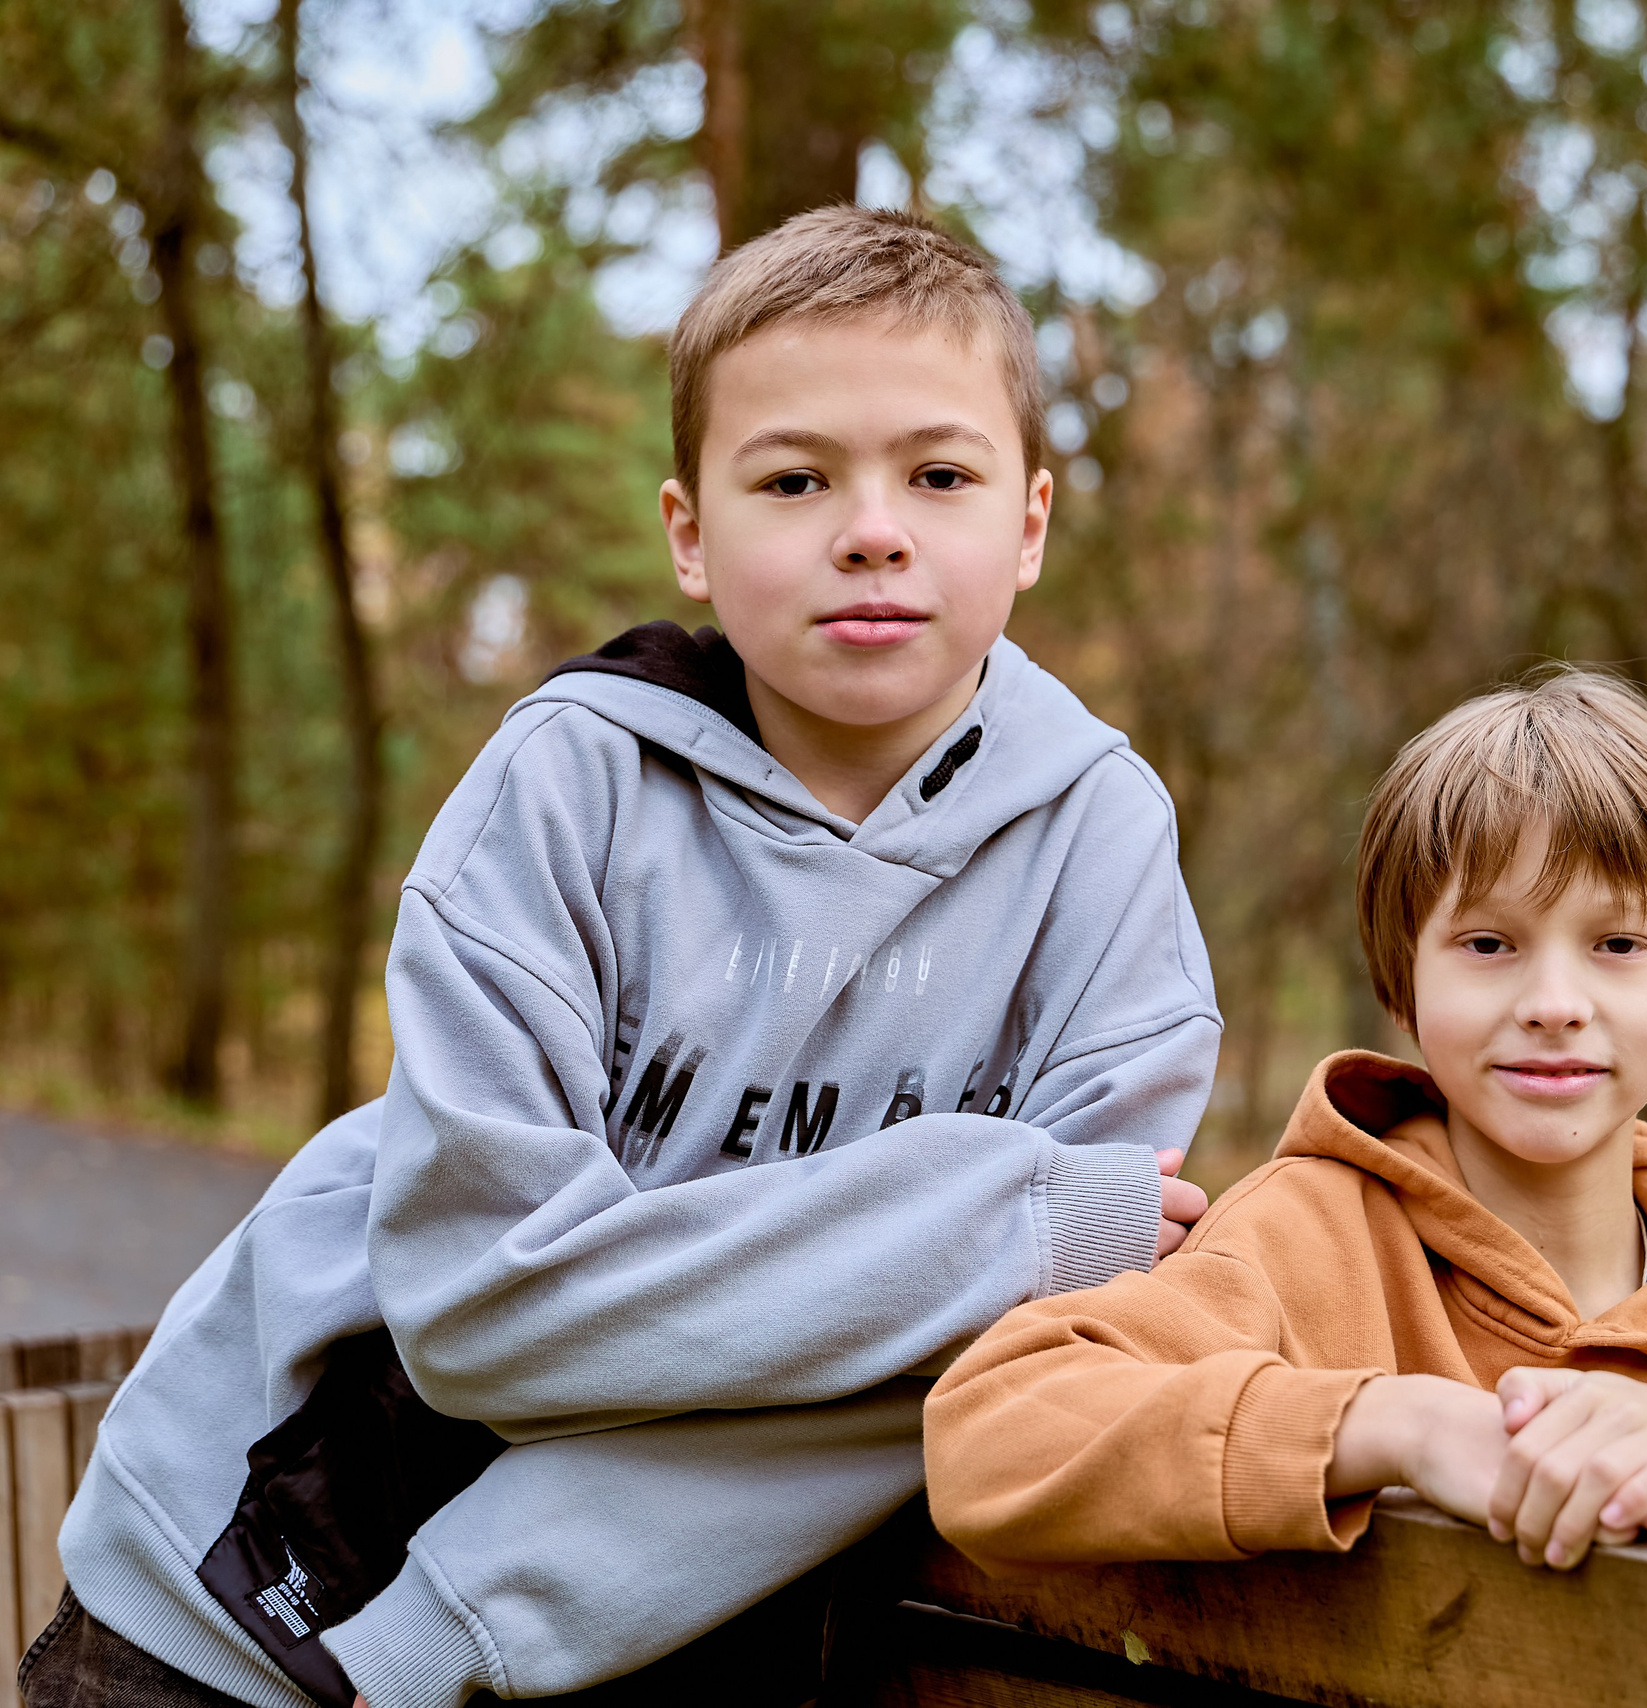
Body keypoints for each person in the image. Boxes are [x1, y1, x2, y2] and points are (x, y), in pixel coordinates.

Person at [30, 207, 1221, 1708]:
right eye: (795, 478)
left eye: (938, 473)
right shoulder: (569, 788)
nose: (872, 526)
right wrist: (969, 1233)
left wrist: (467, 1622)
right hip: (247, 1595)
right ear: (691, 533)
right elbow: (480, 1307)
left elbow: (1012, 1368)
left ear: (1032, 521)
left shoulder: (1097, 854)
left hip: (609, 1638)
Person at [925, 672, 1647, 1575]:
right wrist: (1395, 1424)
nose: (1554, 1000)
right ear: (1404, 979)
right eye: (1487, 942)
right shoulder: (1299, 1243)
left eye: (1617, 942)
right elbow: (987, 1433)